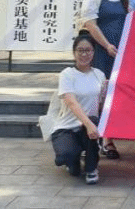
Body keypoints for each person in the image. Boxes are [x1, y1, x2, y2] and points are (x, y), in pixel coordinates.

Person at [80, 0, 128, 159]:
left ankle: (108, 139)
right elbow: (90, 24)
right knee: (97, 95)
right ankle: (92, 139)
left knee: (113, 96)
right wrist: (107, 45)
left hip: (118, 54)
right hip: (100, 52)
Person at [50, 33, 106, 185]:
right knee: (65, 158)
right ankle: (72, 160)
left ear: (93, 52)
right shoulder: (67, 74)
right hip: (66, 127)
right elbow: (71, 102)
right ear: (74, 52)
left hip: (89, 126)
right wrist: (88, 124)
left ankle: (91, 168)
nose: (84, 54)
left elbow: (100, 105)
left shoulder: (99, 75)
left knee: (94, 123)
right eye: (80, 50)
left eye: (88, 50)